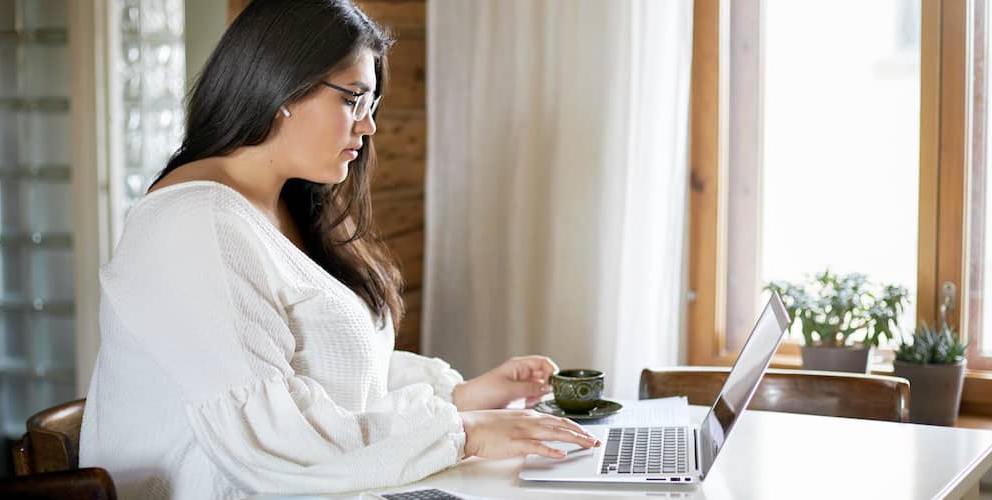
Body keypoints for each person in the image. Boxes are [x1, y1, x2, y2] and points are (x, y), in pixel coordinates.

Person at [78, 0, 600, 498]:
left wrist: (459, 396)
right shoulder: (195, 225)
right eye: (353, 98)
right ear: (282, 86)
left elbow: (331, 372)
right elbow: (270, 439)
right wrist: (461, 431)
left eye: (370, 103)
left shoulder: (281, 205)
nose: (368, 124)